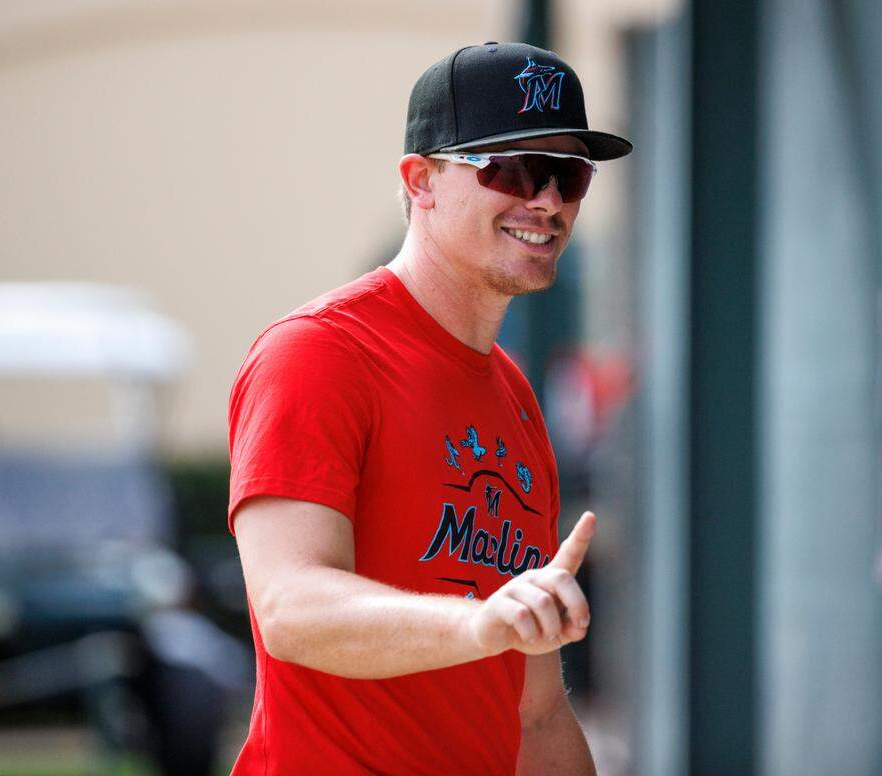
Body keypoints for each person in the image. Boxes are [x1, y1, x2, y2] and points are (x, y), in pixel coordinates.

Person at [227, 41, 632, 774]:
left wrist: (498, 632)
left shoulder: (512, 398)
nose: (545, 200)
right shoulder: (318, 355)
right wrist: (479, 625)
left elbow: (535, 713)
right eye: (510, 168)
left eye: (568, 175)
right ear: (422, 180)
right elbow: (290, 607)